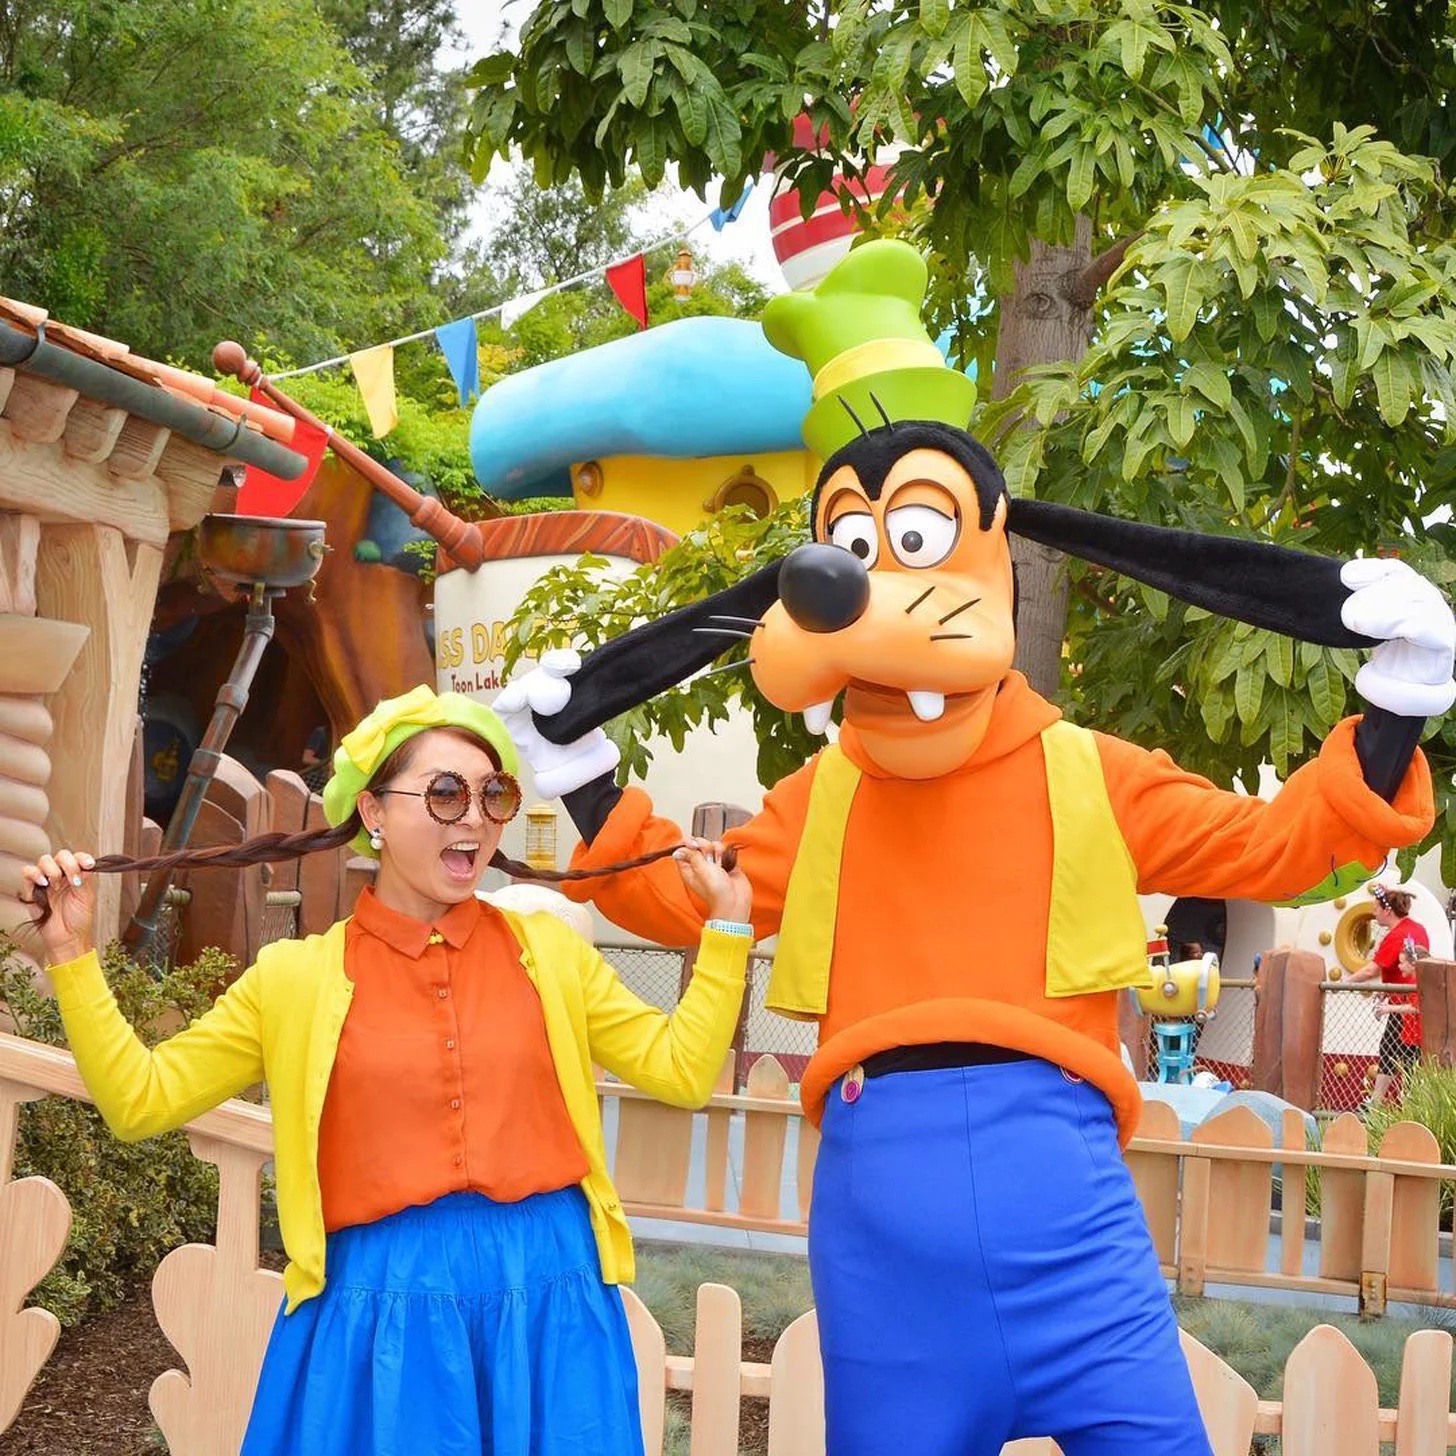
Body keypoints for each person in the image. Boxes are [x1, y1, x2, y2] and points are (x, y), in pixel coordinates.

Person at [19, 685, 752, 1456]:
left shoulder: (552, 955)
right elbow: (140, 1101)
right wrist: (70, 955)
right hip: (384, 1311)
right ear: (372, 813)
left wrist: (728, 929)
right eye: (443, 793)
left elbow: (681, 1072)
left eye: (491, 793)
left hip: (551, 1298)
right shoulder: (294, 978)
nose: (473, 815)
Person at [1346, 884, 1430, 1104]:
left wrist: (1345, 983)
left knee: (1393, 1051)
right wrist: (1387, 990)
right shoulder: (1417, 929)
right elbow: (1398, 968)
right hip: (1408, 1001)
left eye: (1376, 908)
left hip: (1405, 1005)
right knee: (1401, 1054)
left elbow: (1372, 969)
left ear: (1387, 910)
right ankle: (1385, 1100)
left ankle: (1379, 1100)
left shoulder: (1397, 936)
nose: (1374, 913)